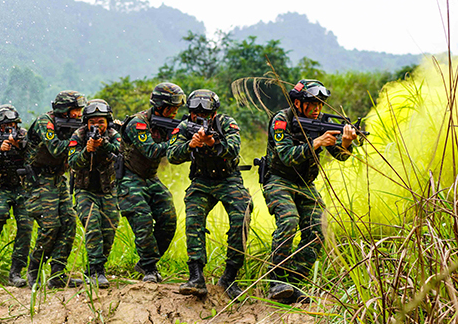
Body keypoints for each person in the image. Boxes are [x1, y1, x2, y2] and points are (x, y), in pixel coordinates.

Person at [262, 79, 356, 303]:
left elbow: (341, 156)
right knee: (289, 220)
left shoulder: (323, 122)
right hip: (279, 179)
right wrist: (315, 143)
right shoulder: (282, 120)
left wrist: (346, 143)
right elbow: (285, 156)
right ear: (297, 103)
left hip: (306, 184)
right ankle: (275, 279)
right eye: (312, 104)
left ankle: (294, 280)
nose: (317, 109)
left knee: (319, 227)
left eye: (321, 104)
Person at [167, 89, 253, 300]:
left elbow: (234, 148)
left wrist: (213, 143)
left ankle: (230, 277)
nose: (200, 118)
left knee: (242, 215)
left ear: (214, 113)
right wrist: (190, 145)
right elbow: (171, 155)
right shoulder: (185, 127)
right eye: (196, 114)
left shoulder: (227, 123)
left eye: (205, 114)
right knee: (193, 219)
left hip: (228, 179)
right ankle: (196, 277)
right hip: (202, 180)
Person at [117, 83, 185, 283]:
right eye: (172, 108)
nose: (175, 112)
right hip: (130, 178)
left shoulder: (166, 123)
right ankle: (148, 267)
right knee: (143, 222)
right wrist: (179, 142)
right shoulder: (138, 123)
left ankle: (147, 262)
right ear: (160, 106)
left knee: (169, 219)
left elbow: (175, 156)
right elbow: (152, 151)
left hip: (151, 177)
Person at [24, 90, 88, 288]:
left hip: (58, 178)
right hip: (38, 179)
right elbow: (57, 149)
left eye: (80, 110)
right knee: (50, 226)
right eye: (76, 110)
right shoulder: (46, 122)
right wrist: (80, 138)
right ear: (65, 110)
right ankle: (33, 271)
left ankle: (57, 274)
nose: (79, 114)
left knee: (68, 223)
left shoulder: (73, 125)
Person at [68, 99, 122, 288]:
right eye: (93, 122)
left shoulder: (114, 134)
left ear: (108, 121)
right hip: (85, 191)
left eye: (101, 122)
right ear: (86, 122)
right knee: (92, 228)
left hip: (107, 190)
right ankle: (97, 271)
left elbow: (119, 151)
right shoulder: (78, 135)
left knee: (109, 231)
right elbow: (73, 162)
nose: (97, 126)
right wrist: (86, 151)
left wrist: (103, 144)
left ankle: (94, 270)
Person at [0, 104, 32, 287]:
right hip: (1, 186)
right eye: (4, 126)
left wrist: (20, 146)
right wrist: (0, 151)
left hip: (22, 187)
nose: (9, 128)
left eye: (11, 124)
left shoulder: (25, 135)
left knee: (25, 228)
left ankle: (16, 272)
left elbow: (35, 155)